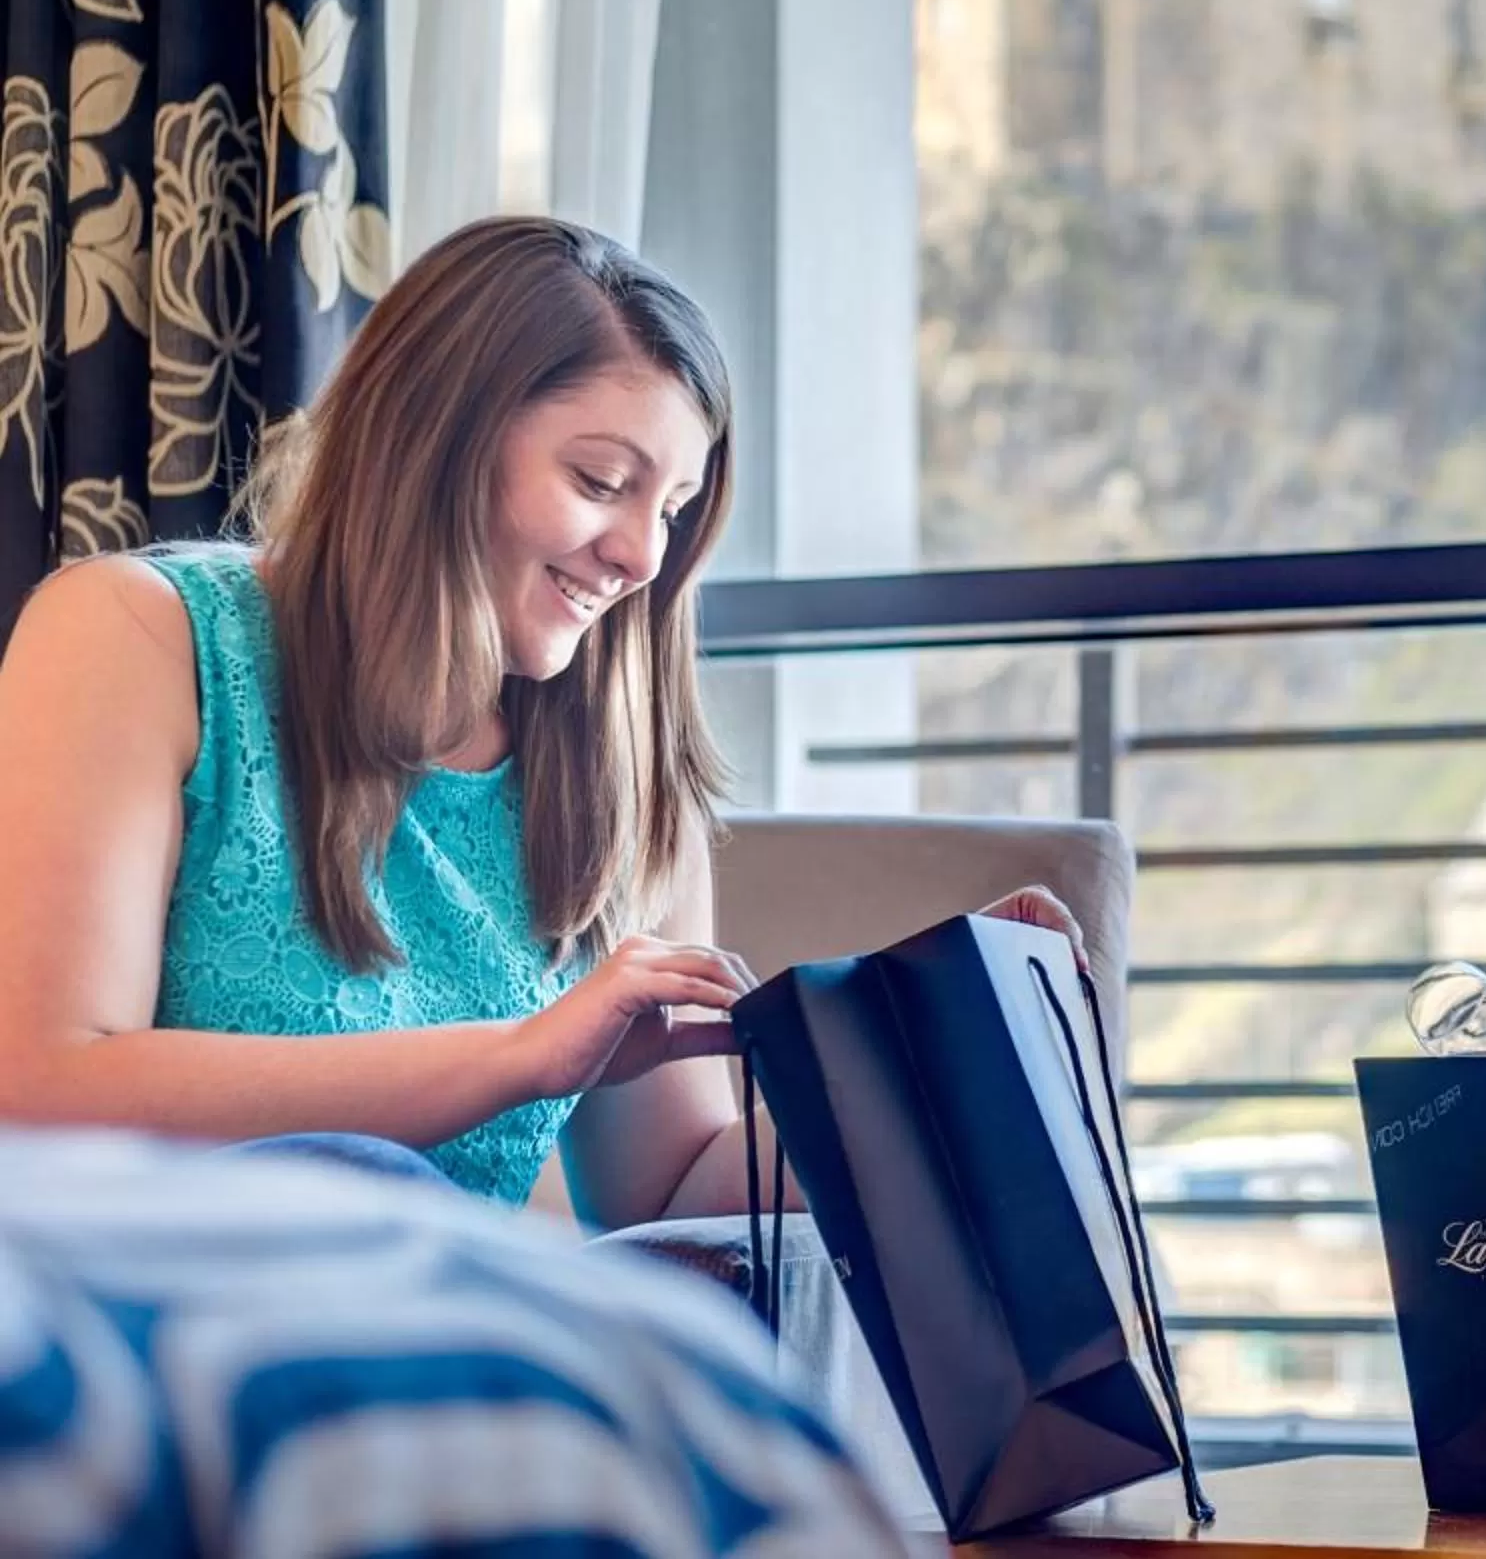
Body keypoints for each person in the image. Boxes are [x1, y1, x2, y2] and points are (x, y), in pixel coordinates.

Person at [0, 216, 1080, 1223]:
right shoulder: (139, 639)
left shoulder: (620, 784)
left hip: (452, 1368)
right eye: (603, 479)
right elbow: (41, 1087)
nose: (644, 557)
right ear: (434, 437)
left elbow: (667, 1195)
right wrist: (525, 1052)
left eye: (672, 510)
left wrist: (935, 1082)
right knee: (352, 1179)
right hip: (133, 1333)